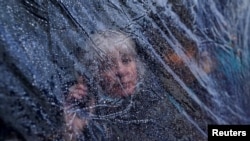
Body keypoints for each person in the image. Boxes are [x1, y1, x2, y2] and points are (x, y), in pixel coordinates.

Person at [63, 30, 204, 141]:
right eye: (108, 65)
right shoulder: (91, 117)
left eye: (126, 60)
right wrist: (72, 131)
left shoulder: (161, 93)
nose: (121, 71)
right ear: (94, 74)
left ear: (137, 64)